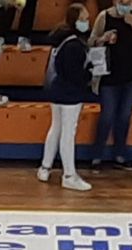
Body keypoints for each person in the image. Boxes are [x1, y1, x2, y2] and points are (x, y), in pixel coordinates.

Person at [90, 0, 132, 172]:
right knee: (107, 115)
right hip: (109, 77)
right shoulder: (104, 17)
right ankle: (96, 155)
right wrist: (102, 39)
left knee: (124, 116)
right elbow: (91, 42)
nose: (125, 4)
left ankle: (120, 155)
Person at [38, 3, 95, 192]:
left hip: (57, 91)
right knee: (68, 133)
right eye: (84, 19)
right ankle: (69, 175)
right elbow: (75, 74)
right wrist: (89, 73)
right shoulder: (73, 45)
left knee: (56, 128)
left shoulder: (62, 39)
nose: (87, 22)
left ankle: (45, 167)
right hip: (70, 93)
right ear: (75, 20)